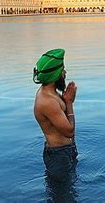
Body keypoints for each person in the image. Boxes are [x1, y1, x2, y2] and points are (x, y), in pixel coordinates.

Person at [33, 48, 78, 183]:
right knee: (62, 195)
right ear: (55, 75)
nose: (65, 73)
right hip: (58, 156)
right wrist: (69, 103)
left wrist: (66, 100)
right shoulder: (47, 101)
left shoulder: (52, 93)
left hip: (66, 151)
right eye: (62, 70)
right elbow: (69, 131)